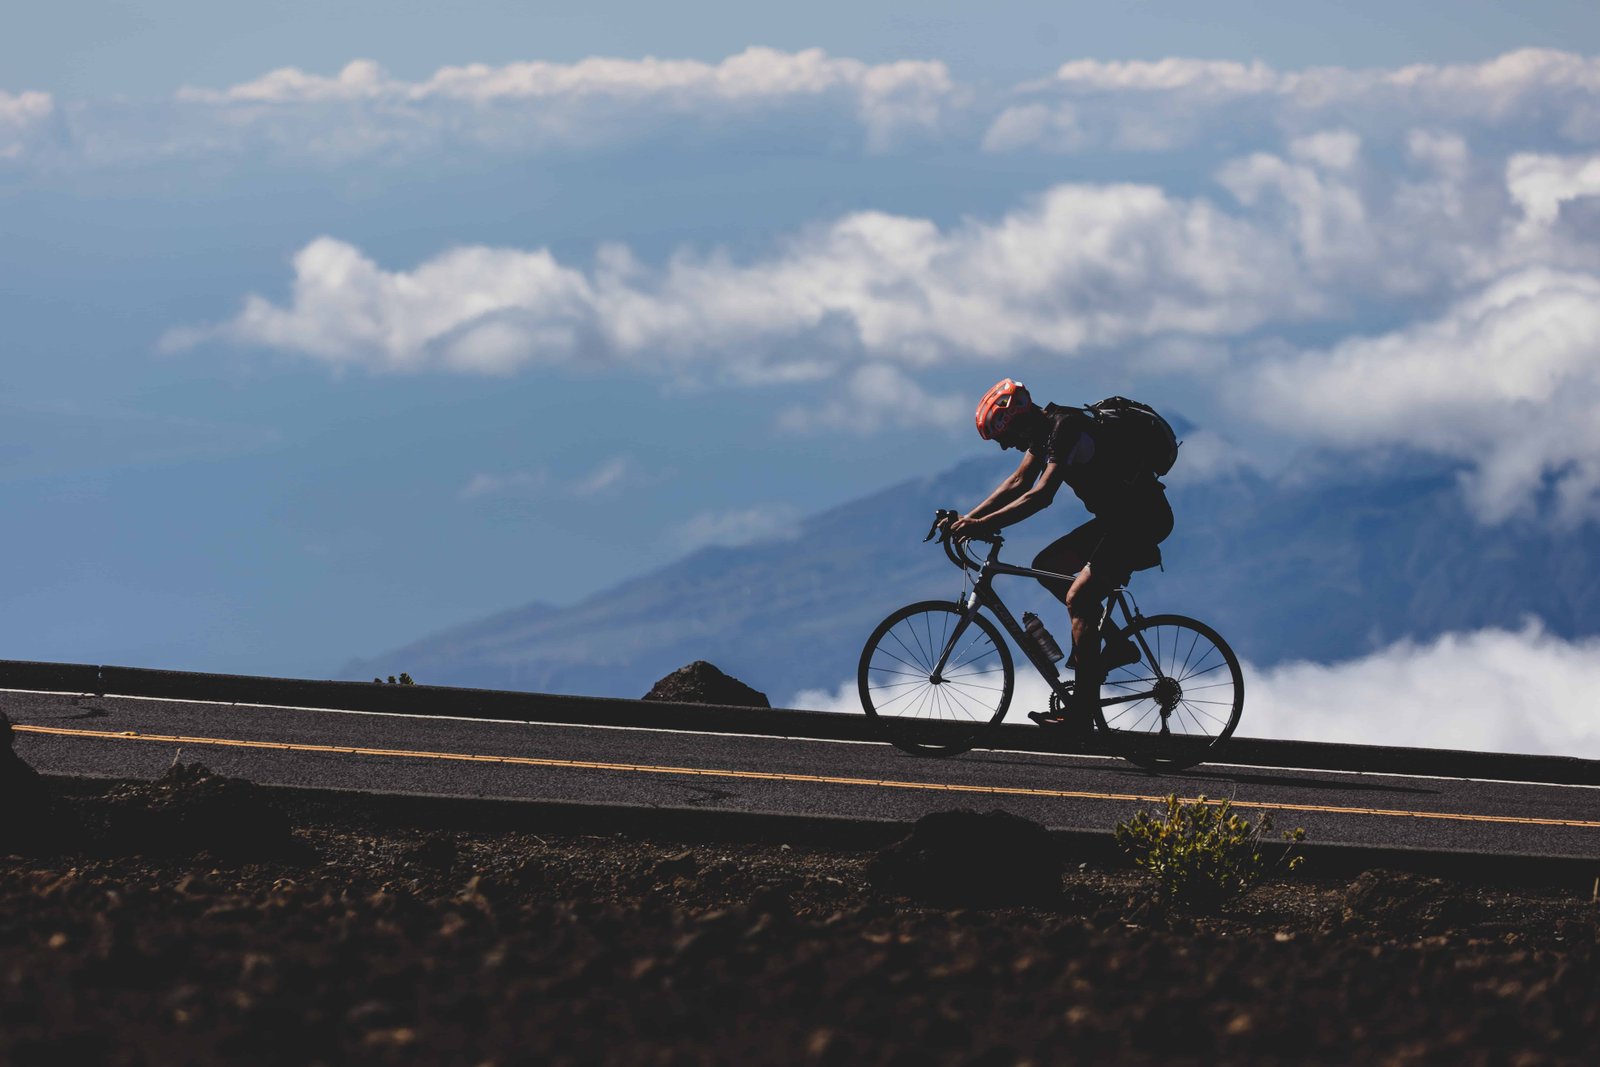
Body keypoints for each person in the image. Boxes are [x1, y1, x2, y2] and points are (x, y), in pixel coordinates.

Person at [946, 378, 1173, 728]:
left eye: (1004, 437)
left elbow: (1040, 495)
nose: (1006, 447)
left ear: (1017, 420)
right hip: (1118, 519)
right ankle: (1115, 644)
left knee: (1079, 598)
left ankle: (1081, 713)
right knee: (1047, 566)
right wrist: (969, 519)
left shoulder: (1066, 427)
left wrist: (981, 525)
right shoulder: (1045, 430)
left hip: (1141, 519)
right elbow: (1018, 482)